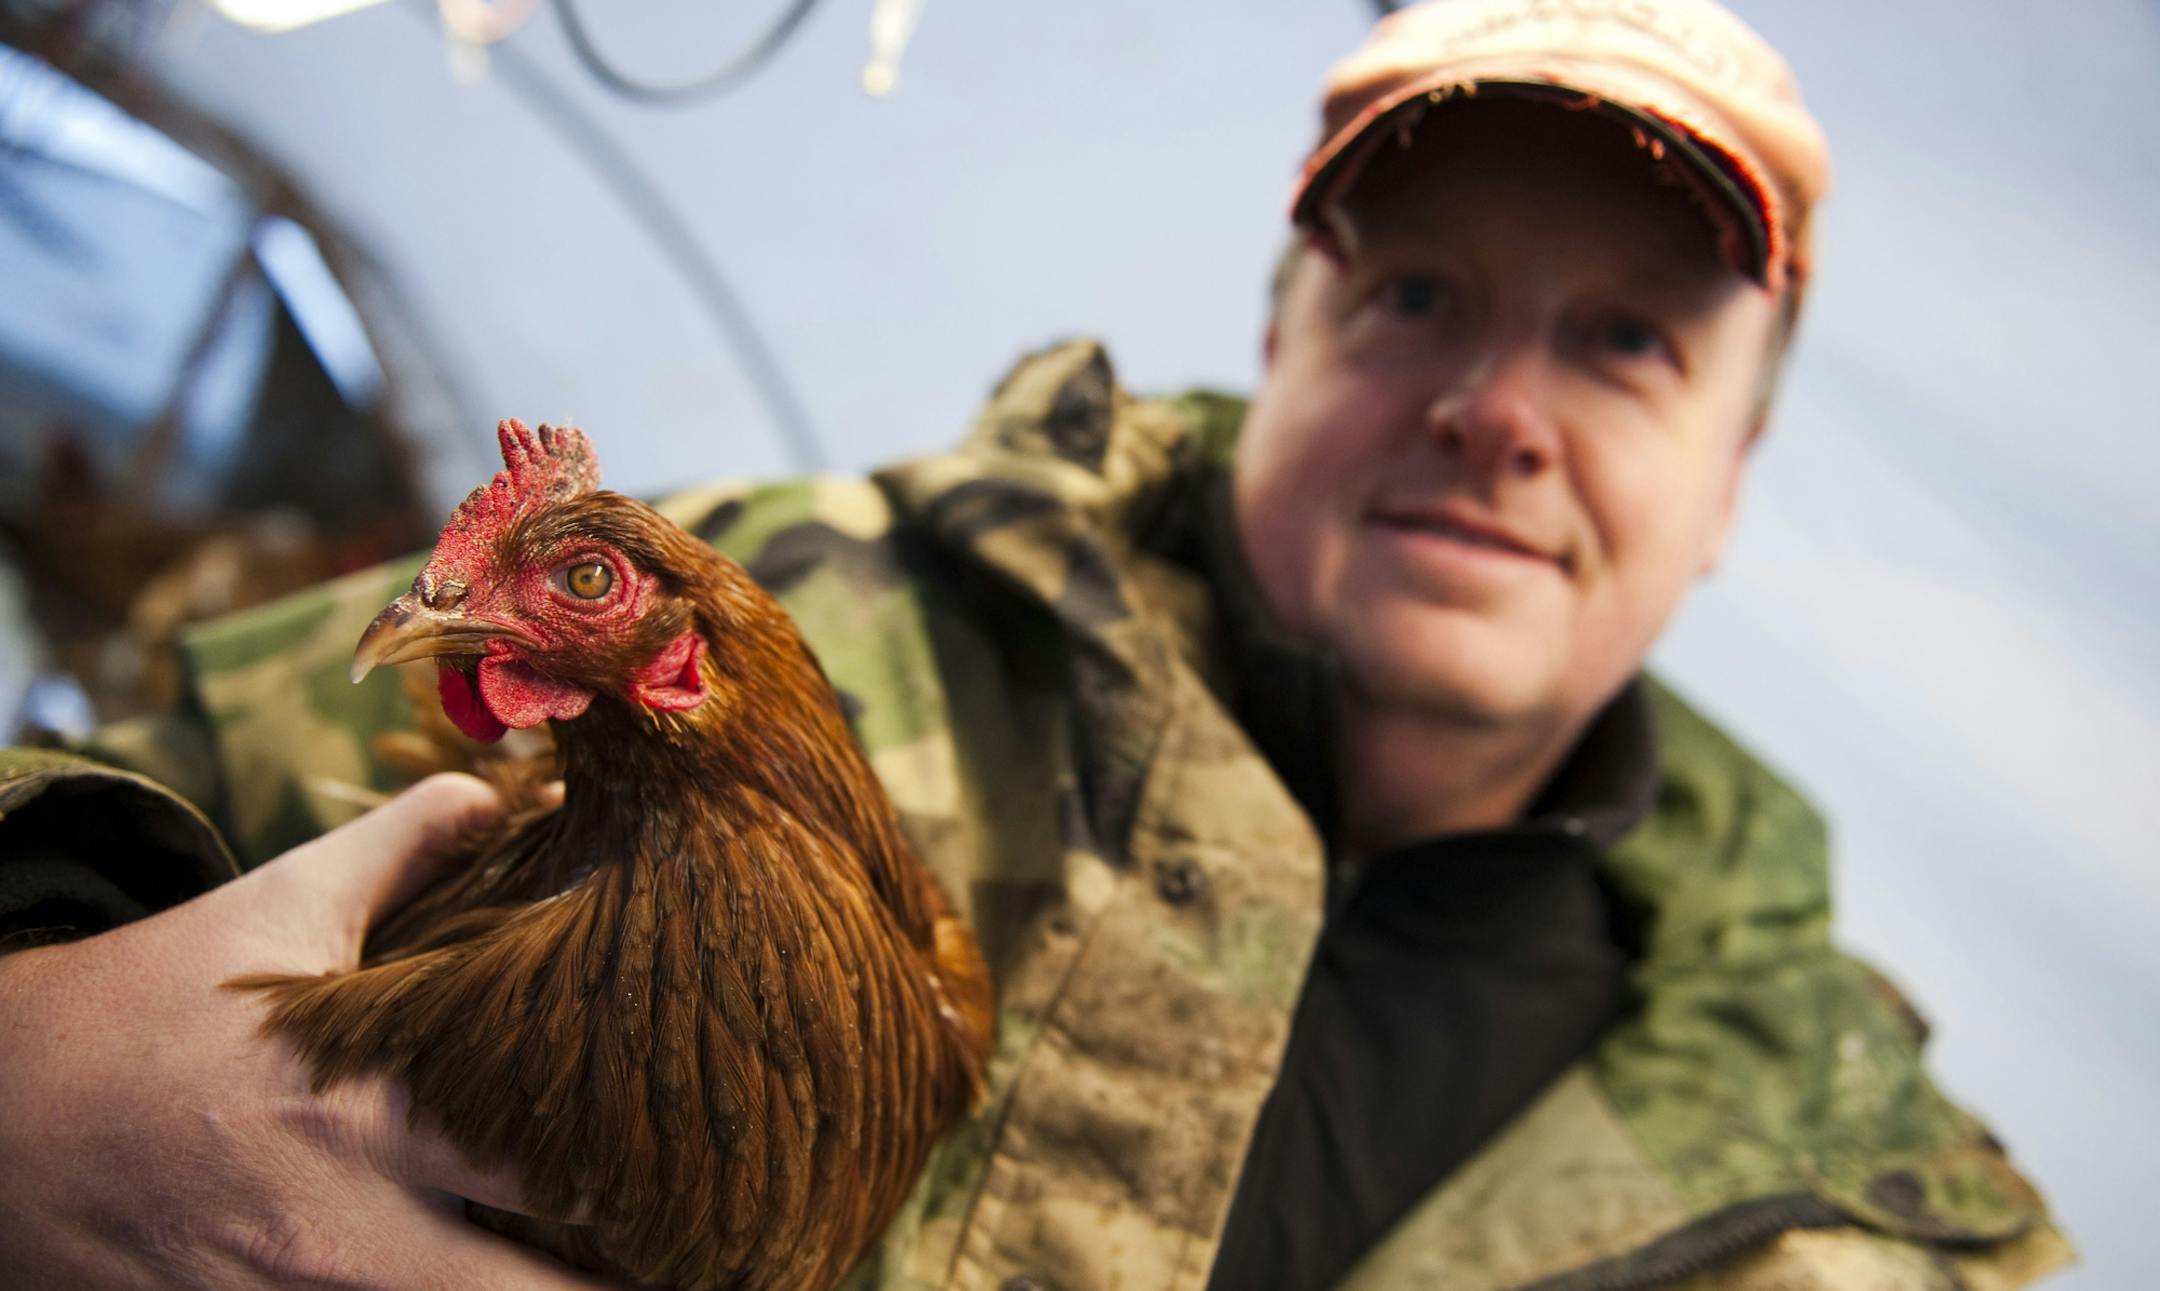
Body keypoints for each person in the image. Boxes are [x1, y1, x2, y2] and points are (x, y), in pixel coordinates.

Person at [0, 1, 2070, 1287]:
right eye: (1420, 291)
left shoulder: (1860, 1190)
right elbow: (122, 761)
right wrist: (34, 1076)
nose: (1496, 409)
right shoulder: (790, 579)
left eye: (1625, 340)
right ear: (1281, 339)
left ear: (1739, 475)